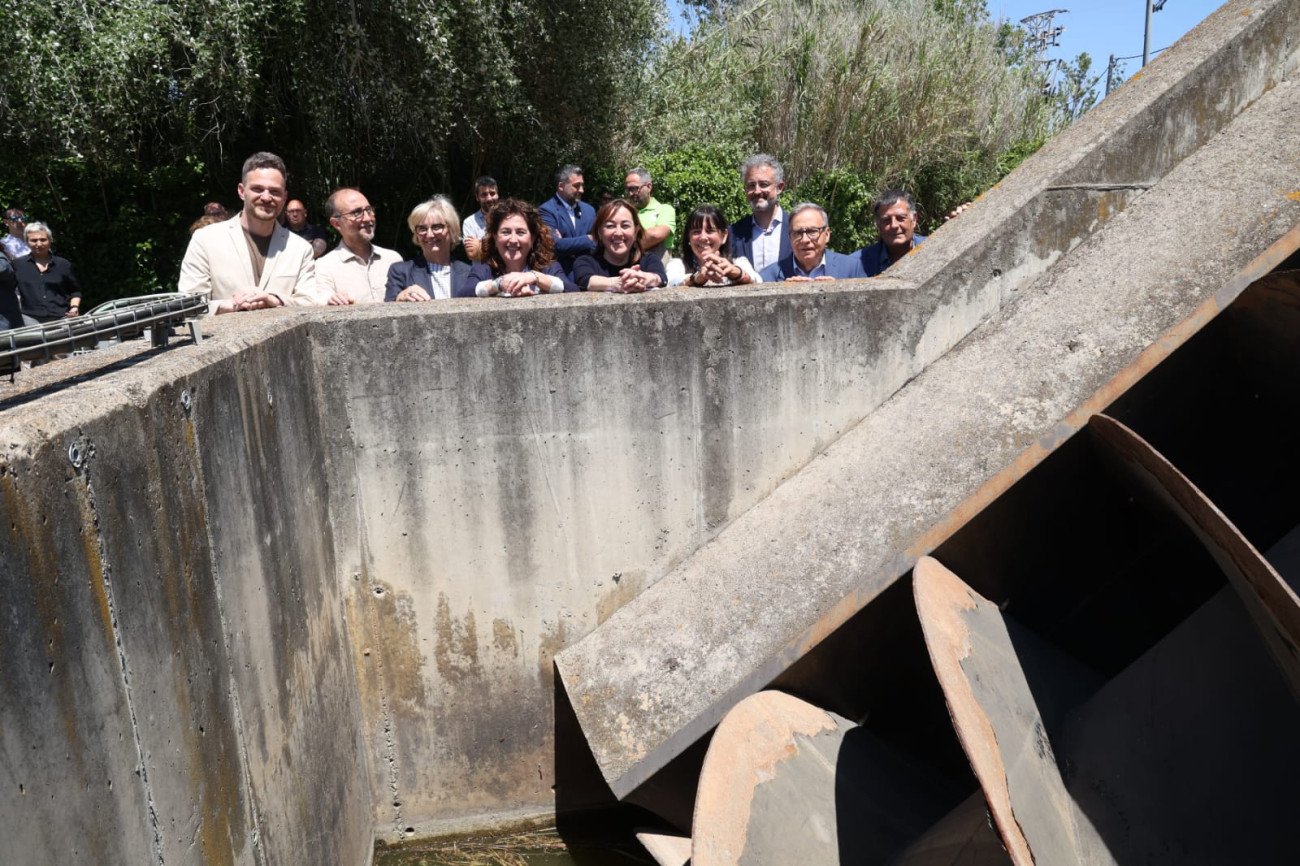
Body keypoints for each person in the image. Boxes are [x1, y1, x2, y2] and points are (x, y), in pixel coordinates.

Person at [178, 152, 317, 314]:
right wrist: (231, 305)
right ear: (241, 191)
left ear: (284, 196)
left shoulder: (300, 249)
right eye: (258, 189)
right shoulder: (205, 240)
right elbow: (188, 304)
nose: (266, 197)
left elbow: (310, 303)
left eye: (275, 191)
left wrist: (275, 300)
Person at [462, 198, 576, 298]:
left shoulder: (550, 269)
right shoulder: (482, 271)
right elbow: (463, 295)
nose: (513, 240)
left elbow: (573, 292)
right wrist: (498, 284)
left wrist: (534, 277)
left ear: (532, 238)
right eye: (506, 232)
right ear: (495, 238)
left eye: (520, 232)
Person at [314, 188, 402, 305]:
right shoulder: (324, 267)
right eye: (356, 213)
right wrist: (331, 301)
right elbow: (321, 304)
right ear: (336, 223)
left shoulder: (392, 259)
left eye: (369, 210)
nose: (367, 218)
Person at [387, 196, 472, 301]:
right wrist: (400, 298)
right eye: (422, 228)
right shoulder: (401, 272)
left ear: (451, 230)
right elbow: (387, 309)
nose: (430, 235)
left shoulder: (470, 273)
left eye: (437, 227)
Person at [573, 199, 668, 293]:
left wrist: (644, 278)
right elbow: (586, 281)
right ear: (600, 232)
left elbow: (660, 277)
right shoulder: (585, 261)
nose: (618, 233)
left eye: (625, 226)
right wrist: (617, 283)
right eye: (610, 226)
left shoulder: (649, 260)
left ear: (635, 232)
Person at [759, 203, 866, 282]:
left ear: (827, 234)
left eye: (812, 231)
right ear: (790, 237)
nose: (805, 240)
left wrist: (837, 291)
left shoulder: (853, 268)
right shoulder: (769, 276)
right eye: (798, 233)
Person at [730, 154, 791, 274]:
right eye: (751, 185)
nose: (757, 191)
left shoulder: (797, 229)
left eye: (764, 184)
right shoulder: (733, 233)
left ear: (779, 188)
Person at [13, 222, 83, 323]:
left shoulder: (63, 264)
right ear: (27, 242)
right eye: (34, 240)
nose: (39, 244)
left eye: (43, 240)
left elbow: (75, 291)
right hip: (30, 319)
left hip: (62, 317)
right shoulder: (18, 265)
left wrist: (74, 307)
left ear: (50, 240)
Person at [677, 205, 761, 287]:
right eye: (696, 232)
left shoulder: (739, 262)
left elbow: (758, 280)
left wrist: (737, 273)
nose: (703, 237)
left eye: (710, 231)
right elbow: (673, 281)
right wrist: (696, 278)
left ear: (724, 236)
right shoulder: (678, 265)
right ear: (688, 237)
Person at [538, 165, 596, 275]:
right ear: (561, 186)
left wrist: (567, 243)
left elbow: (599, 242)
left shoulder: (589, 210)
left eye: (582, 185)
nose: (582, 190)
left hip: (588, 271)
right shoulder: (546, 211)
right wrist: (588, 239)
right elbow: (554, 245)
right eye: (576, 186)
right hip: (562, 274)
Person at [856, 190, 927, 277]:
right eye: (886, 220)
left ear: (914, 220)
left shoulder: (934, 249)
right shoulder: (858, 263)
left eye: (900, 218)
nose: (894, 225)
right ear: (879, 224)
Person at [624, 168, 675, 261]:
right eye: (628, 189)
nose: (631, 193)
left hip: (657, 273)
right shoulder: (624, 211)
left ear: (649, 187)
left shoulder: (664, 210)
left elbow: (656, 235)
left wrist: (625, 244)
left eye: (635, 188)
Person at [461, 176, 499, 261]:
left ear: (497, 194)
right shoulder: (470, 222)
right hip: (481, 273)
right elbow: (472, 254)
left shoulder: (507, 219)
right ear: (477, 197)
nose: (489, 198)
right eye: (484, 195)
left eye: (492, 193)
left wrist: (480, 245)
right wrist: (499, 246)